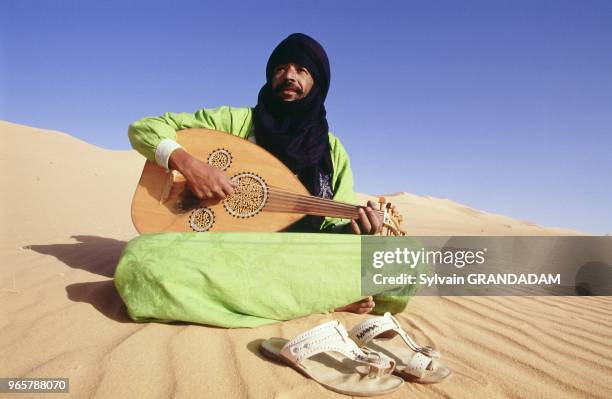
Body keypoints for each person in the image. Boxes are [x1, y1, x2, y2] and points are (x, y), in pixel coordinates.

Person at [126, 33, 389, 316]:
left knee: (403, 269)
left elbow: (327, 234)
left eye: (301, 69)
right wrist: (190, 165)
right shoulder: (236, 122)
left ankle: (294, 298)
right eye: (280, 69)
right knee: (140, 264)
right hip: (227, 255)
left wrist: (355, 230)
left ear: (318, 83)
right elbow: (146, 127)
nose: (289, 76)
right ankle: (317, 300)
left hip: (299, 260)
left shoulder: (333, 152)